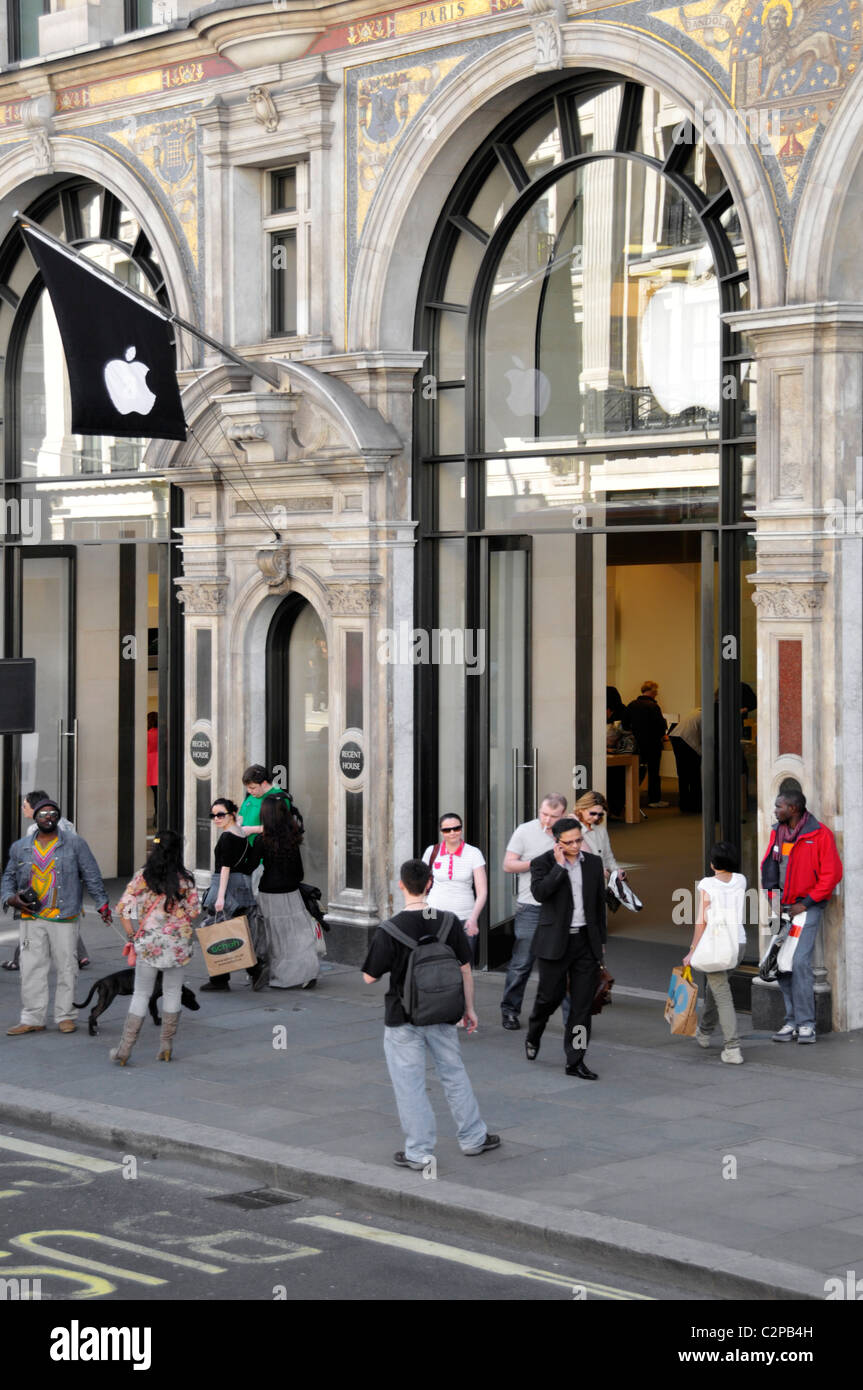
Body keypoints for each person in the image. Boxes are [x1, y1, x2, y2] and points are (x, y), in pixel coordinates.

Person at [362, 857, 500, 1170]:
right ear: (429, 884)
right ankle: (474, 1138)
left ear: (401, 886)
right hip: (443, 1012)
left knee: (409, 1085)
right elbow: (465, 970)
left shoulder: (389, 929)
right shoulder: (449, 921)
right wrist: (469, 1009)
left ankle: (419, 1153)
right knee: (454, 1074)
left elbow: (369, 977)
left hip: (403, 1017)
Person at [2, 798, 112, 1037]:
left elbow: (91, 874)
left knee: (67, 967)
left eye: (53, 813)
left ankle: (65, 1016)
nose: (48, 817)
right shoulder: (21, 847)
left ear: (58, 817)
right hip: (31, 917)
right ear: (36, 818)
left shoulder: (75, 844)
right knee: (31, 968)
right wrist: (10, 898)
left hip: (64, 915)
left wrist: (102, 904)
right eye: (43, 814)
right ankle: (32, 1017)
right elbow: (8, 877)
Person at [525, 817, 606, 1079]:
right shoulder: (542, 863)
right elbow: (540, 894)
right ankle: (534, 1032)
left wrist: (600, 944)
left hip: (584, 942)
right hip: (554, 943)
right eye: (569, 842)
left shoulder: (593, 863)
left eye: (578, 840)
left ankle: (575, 1060)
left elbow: (598, 906)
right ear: (556, 842)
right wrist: (559, 867)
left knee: (582, 1007)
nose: (575, 846)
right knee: (549, 998)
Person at [760, 788, 842, 1044]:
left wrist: (805, 904)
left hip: (806, 908)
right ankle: (792, 1021)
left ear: (793, 809)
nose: (775, 810)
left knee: (799, 963)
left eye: (779, 806)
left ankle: (807, 1024)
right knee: (779, 964)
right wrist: (773, 900)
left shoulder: (820, 835)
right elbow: (769, 866)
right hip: (780, 908)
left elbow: (832, 875)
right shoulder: (777, 832)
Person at [111, 831, 199, 1064]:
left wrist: (131, 933)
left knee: (141, 993)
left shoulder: (143, 877)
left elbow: (123, 908)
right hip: (178, 944)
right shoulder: (186, 880)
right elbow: (194, 912)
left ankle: (125, 1049)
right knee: (173, 992)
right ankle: (166, 1046)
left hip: (149, 944)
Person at [499, 793, 567, 1030]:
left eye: (553, 816)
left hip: (560, 908)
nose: (547, 820)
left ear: (564, 815)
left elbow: (586, 858)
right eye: (544, 814)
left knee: (564, 963)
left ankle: (572, 1019)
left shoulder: (569, 832)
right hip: (530, 906)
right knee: (522, 962)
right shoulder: (525, 830)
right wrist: (538, 862)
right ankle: (509, 1010)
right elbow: (508, 864)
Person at [2, 790, 89, 971]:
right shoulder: (68, 824)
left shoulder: (34, 829)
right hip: (67, 882)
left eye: (25, 806)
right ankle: (80, 956)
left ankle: (20, 959)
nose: (22, 809)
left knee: (32, 921)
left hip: (44, 883)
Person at [684, 841, 747, 1064]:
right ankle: (705, 1030)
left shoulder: (707, 885)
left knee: (722, 994)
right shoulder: (741, 880)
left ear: (712, 864)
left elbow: (700, 922)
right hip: (738, 945)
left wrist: (692, 950)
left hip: (716, 946)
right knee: (716, 987)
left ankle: (732, 1047)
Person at [199, 798, 268, 993]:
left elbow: (225, 867)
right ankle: (234, 973)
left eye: (221, 814)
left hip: (228, 886)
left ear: (231, 814)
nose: (216, 818)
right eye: (213, 815)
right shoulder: (239, 832)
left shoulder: (228, 837)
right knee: (231, 930)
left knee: (219, 929)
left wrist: (220, 896)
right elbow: (245, 834)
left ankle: (228, 976)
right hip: (241, 885)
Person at [256, 794, 319, 989]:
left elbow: (250, 865)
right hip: (291, 893)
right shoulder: (293, 838)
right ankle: (307, 972)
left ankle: (280, 975)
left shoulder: (261, 840)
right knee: (298, 937)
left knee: (275, 939)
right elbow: (299, 872)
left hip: (269, 894)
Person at [422, 814, 487, 962]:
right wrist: (424, 915)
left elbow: (482, 892)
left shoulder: (473, 853)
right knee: (433, 962)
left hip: (464, 917)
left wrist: (474, 918)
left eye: (456, 828)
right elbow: (422, 887)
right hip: (433, 914)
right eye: (447, 830)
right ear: (441, 832)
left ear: (461, 829)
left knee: (464, 966)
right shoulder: (431, 852)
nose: (452, 833)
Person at [624, 680, 668, 808]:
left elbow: (625, 724)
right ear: (652, 691)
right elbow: (660, 726)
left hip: (636, 744)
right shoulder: (653, 706)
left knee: (637, 770)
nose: (657, 694)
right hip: (653, 744)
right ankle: (654, 799)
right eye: (656, 691)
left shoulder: (632, 705)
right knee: (654, 771)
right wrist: (662, 735)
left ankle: (629, 797)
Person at [574, 791, 623, 879]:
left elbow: (608, 857)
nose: (596, 817)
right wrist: (596, 869)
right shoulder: (571, 829)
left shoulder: (601, 829)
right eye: (592, 813)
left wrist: (617, 870)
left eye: (600, 814)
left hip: (599, 883)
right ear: (581, 809)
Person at [669, 709, 702, 813]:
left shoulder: (698, 711)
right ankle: (695, 805)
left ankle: (684, 804)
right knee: (694, 774)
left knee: (683, 774)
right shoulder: (708, 714)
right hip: (685, 740)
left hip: (676, 737)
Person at [146, 712, 158, 823]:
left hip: (151, 765)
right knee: (160, 794)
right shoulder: (161, 733)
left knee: (156, 793)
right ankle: (158, 815)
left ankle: (157, 816)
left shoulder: (148, 734)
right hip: (160, 763)